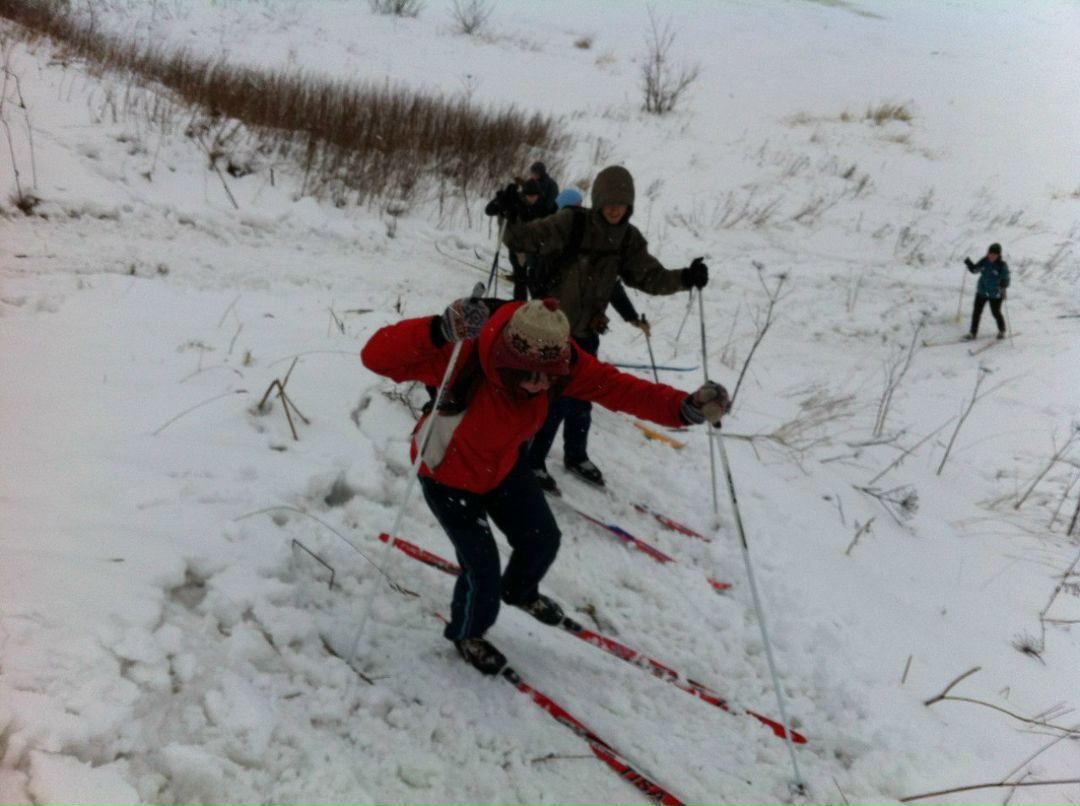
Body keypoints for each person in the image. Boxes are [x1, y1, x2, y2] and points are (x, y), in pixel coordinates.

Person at [360, 297, 729, 674]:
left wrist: (683, 407)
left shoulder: (563, 362)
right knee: (481, 570)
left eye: (548, 377)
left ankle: (519, 592)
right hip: (447, 474)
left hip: (503, 467)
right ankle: (467, 633)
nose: (539, 386)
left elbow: (619, 388)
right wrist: (438, 329)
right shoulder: (465, 354)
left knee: (542, 539)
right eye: (528, 374)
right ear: (505, 356)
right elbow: (375, 357)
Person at [485, 164, 708, 492]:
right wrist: (514, 214)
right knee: (552, 401)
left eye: (622, 203)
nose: (615, 208)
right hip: (553, 333)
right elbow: (524, 240)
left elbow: (650, 277)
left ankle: (576, 455)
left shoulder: (628, 239)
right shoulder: (572, 222)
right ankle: (532, 461)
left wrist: (685, 278)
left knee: (582, 401)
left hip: (587, 332)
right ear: (599, 200)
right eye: (609, 201)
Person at [963, 243, 1010, 340]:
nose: (991, 256)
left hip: (995, 294)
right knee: (976, 312)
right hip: (982, 291)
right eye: (990, 253)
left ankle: (1002, 330)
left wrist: (1004, 284)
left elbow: (1006, 278)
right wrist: (969, 264)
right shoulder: (984, 261)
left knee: (995, 312)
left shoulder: (1001, 265)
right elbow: (975, 270)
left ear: (998, 255)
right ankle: (973, 333)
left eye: (994, 254)